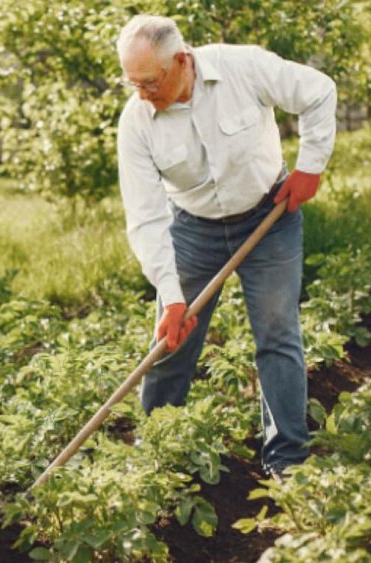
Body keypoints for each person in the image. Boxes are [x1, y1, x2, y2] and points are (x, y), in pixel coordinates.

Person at [114, 15, 336, 480]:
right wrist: (172, 296)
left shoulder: (242, 67)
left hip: (268, 216)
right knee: (172, 340)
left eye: (149, 82)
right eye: (132, 83)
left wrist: (310, 167)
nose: (141, 94)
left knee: (277, 334)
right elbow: (146, 216)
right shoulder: (136, 121)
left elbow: (318, 91)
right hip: (192, 230)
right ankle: (155, 453)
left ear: (181, 60)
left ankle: (287, 459)